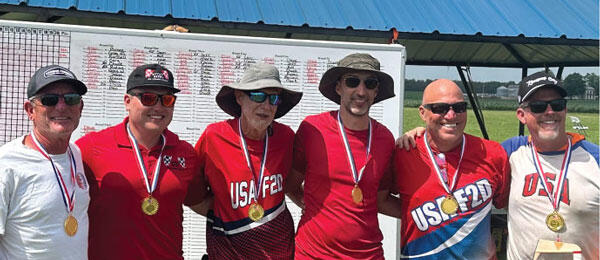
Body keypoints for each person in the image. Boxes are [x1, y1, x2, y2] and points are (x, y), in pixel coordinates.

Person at [76, 64, 206, 260]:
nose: (158, 107)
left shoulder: (185, 153)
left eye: (167, 100)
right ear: (127, 101)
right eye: (148, 98)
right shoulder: (90, 147)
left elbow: (201, 202)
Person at [286, 53, 399, 259]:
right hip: (312, 254)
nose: (361, 91)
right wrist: (312, 207)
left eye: (370, 83)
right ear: (339, 87)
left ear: (376, 92)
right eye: (352, 82)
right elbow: (291, 184)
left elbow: (381, 200)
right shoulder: (312, 129)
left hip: (368, 254)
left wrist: (436, 213)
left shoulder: (385, 139)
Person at [193, 62, 302, 259]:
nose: (266, 106)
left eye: (273, 98)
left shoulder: (286, 137)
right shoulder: (214, 137)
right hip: (229, 252)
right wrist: (222, 212)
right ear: (239, 97)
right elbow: (192, 193)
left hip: (280, 251)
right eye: (258, 96)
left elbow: (291, 185)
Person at [393, 79, 510, 259]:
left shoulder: (492, 153)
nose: (451, 115)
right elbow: (379, 199)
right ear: (423, 113)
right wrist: (413, 212)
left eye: (459, 107)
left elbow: (507, 203)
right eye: (440, 108)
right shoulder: (404, 153)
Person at [501, 71, 599, 260]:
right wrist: (426, 138)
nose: (550, 112)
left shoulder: (595, 159)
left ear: (565, 110)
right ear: (521, 115)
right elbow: (465, 160)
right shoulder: (511, 151)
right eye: (538, 107)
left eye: (557, 105)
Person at [0, 65, 89, 259]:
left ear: (80, 107)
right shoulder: (6, 164)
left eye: (71, 99)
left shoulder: (75, 154)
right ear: (30, 110)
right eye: (49, 100)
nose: (61, 106)